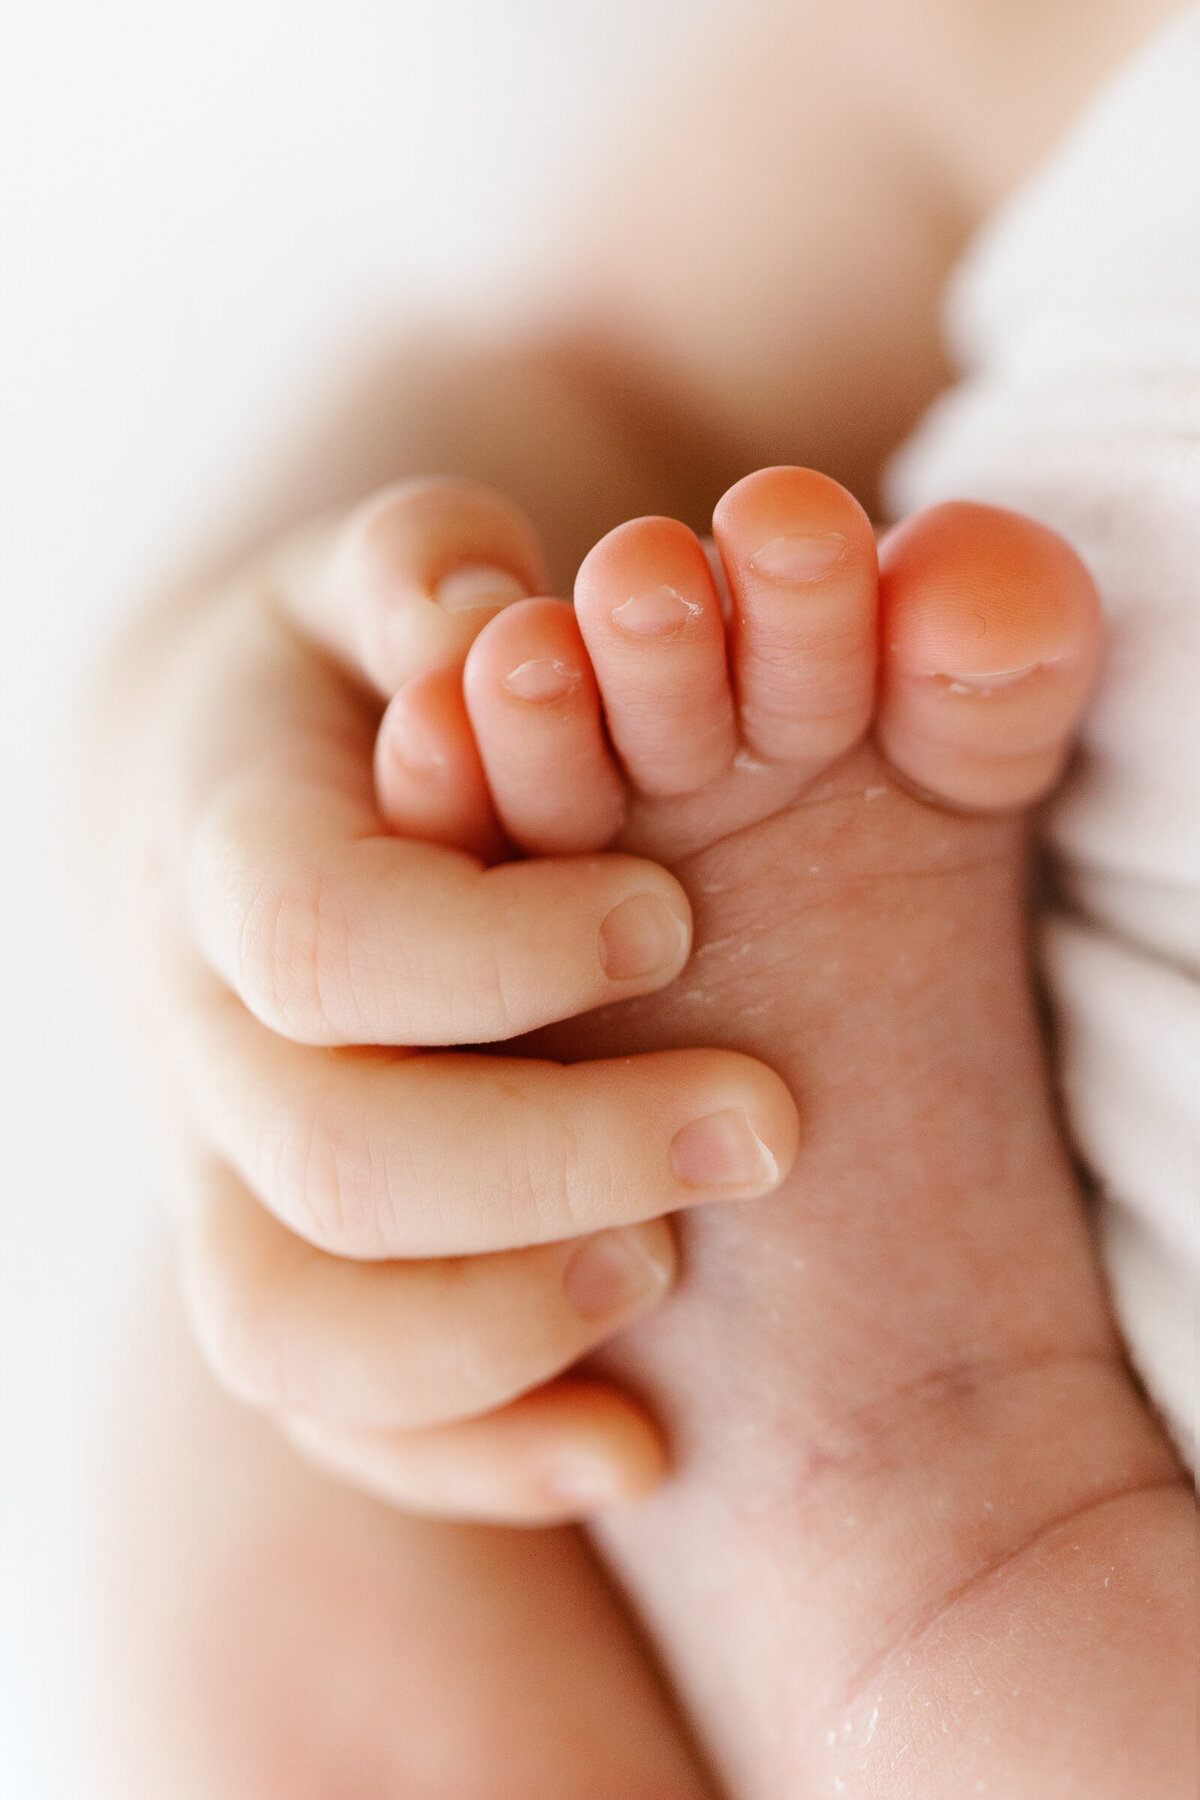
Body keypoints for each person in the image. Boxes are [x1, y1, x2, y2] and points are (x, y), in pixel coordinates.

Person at [77, 0, 1197, 1793]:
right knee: (302, 1521)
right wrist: (231, 774)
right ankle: (909, 1536)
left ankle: (934, 1560)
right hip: (763, 1347)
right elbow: (606, 390)